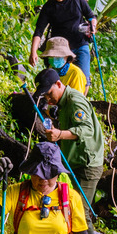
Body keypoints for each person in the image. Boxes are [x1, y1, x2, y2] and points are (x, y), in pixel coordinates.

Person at [33, 66, 104, 197]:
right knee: (69, 207)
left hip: (87, 165)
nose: (48, 99)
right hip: (74, 161)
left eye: (49, 93)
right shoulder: (61, 103)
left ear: (59, 84)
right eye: (45, 96)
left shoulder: (75, 101)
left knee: (81, 212)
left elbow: (87, 129)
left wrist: (59, 134)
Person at [28, 0, 95, 85]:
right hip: (59, 49)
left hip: (80, 44)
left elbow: (91, 16)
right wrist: (33, 51)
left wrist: (93, 26)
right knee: (57, 78)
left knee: (84, 78)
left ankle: (80, 100)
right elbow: (39, 31)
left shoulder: (77, 0)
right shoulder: (48, 7)